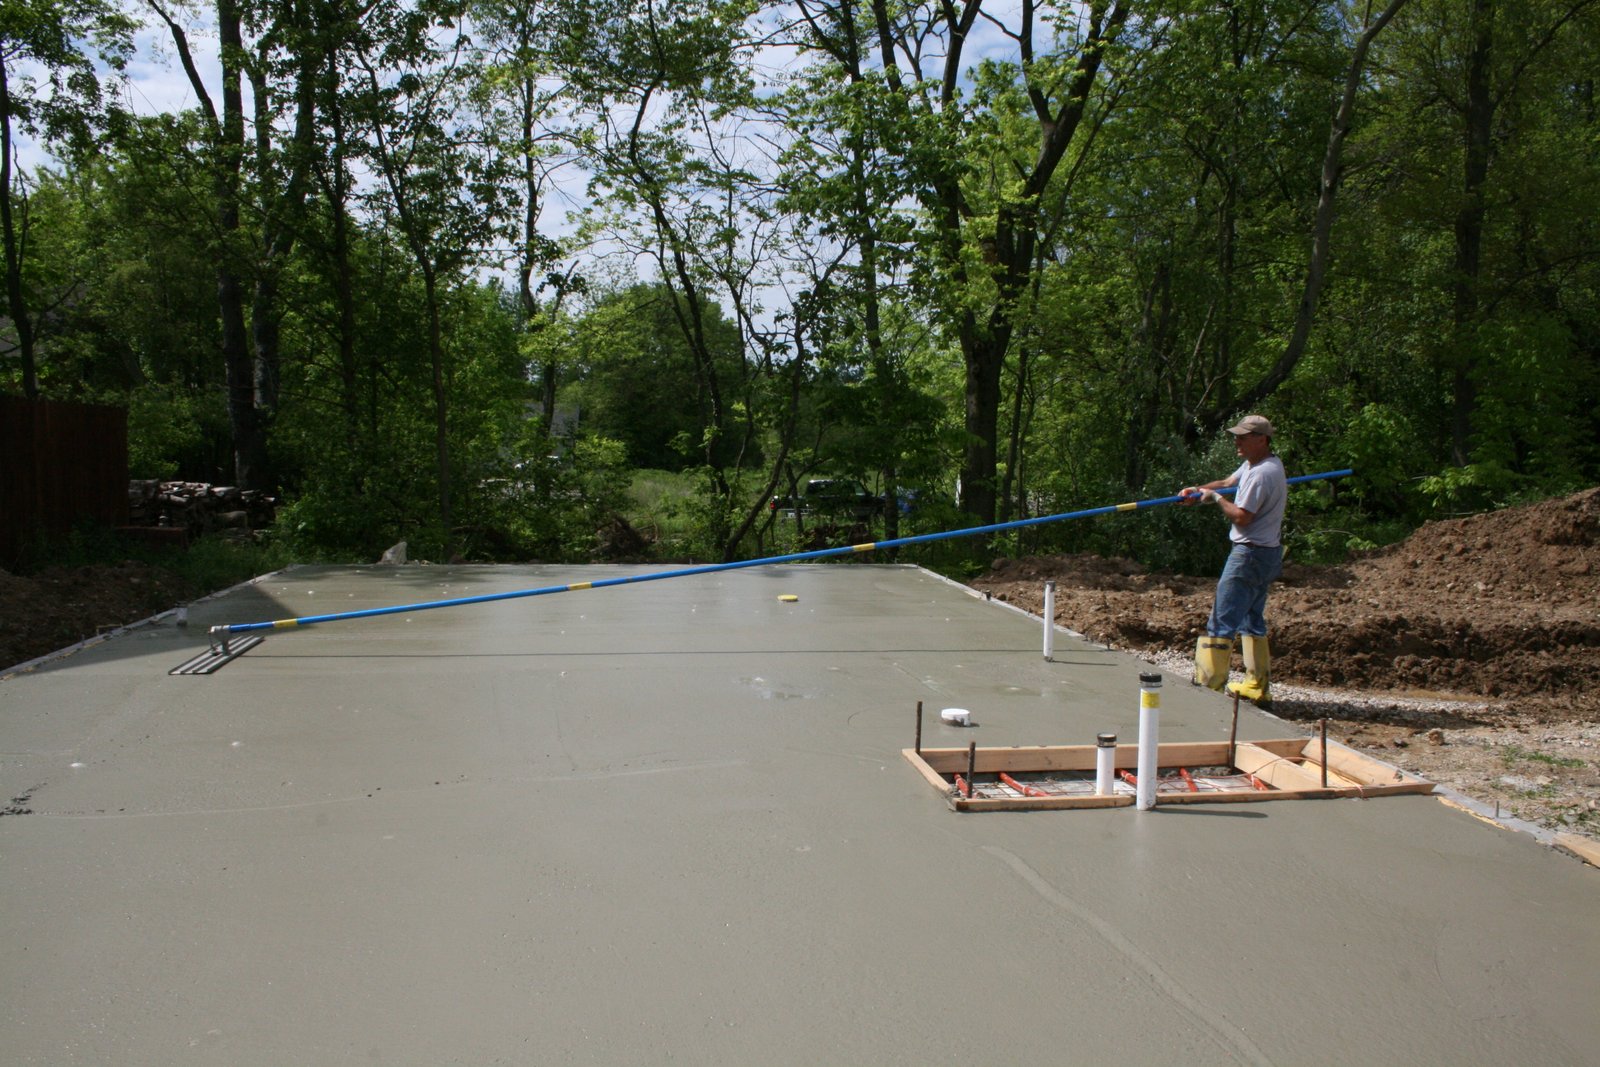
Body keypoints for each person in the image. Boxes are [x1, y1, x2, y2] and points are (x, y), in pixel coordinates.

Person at [1180, 414, 1287, 704]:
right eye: (1236, 436)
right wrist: (1199, 489)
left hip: (1250, 554)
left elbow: (1242, 517)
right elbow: (1228, 482)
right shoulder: (1258, 464)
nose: (1237, 442)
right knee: (1252, 619)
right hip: (1266, 553)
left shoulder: (1263, 474)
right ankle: (1257, 685)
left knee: (1222, 620)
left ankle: (1208, 693)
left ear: (1262, 439)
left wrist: (1214, 499)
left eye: (1243, 437)